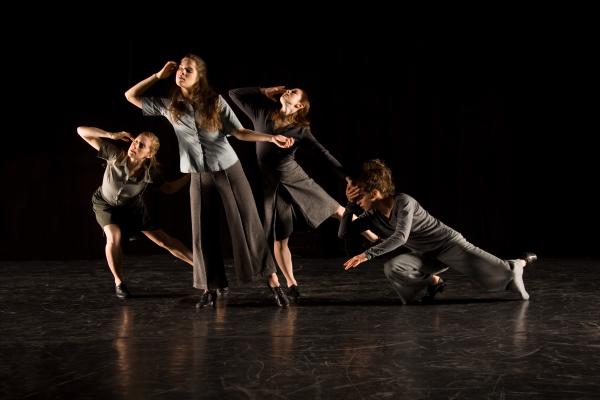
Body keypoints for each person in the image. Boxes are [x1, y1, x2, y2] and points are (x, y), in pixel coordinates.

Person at [125, 54, 293, 307]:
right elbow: (131, 96)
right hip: (197, 174)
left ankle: (274, 284)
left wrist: (269, 138)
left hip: (228, 169)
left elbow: (239, 132)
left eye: (188, 70)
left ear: (199, 77)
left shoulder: (215, 102)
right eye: (180, 69)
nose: (181, 73)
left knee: (249, 224)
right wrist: (158, 76)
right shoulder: (169, 104)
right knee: (202, 232)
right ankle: (211, 287)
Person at [229, 86, 377, 301]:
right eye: (288, 89)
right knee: (279, 238)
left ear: (299, 106)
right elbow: (235, 94)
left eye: (294, 92)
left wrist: (347, 177)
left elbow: (323, 153)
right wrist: (264, 91)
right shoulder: (262, 113)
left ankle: (372, 236)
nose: (288, 91)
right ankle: (291, 283)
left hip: (293, 175)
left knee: (333, 208)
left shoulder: (300, 130)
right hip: (269, 183)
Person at [338, 159, 537, 304]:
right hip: (426, 254)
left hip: (449, 245)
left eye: (359, 197)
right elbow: (344, 234)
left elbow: (401, 237)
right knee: (393, 267)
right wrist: (348, 205)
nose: (357, 201)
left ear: (374, 193)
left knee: (499, 275)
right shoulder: (372, 214)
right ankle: (431, 284)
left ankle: (518, 264)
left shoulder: (404, 202)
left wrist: (367, 255)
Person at [78, 126, 194, 299]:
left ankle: (203, 269)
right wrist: (111, 134)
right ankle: (119, 283)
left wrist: (190, 176)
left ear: (149, 154)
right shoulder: (115, 154)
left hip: (132, 209)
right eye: (135, 141)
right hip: (105, 204)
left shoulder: (150, 172)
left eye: (141, 145)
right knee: (113, 236)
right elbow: (81, 131)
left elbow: (169, 188)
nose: (135, 145)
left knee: (164, 241)